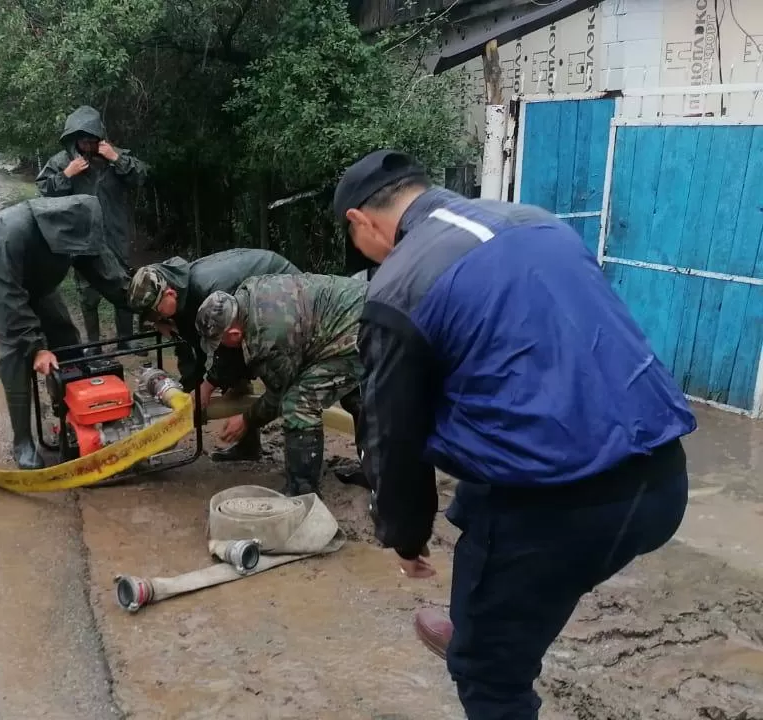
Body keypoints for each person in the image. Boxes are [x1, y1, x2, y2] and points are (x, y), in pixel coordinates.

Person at [334, 149, 695, 718]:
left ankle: (487, 640)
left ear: (361, 222)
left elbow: (392, 438)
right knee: (485, 493)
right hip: (664, 482)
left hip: (559, 514)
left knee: (487, 672)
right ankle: (486, 617)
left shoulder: (399, 287)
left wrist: (404, 537)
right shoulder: (536, 221)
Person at [0, 195, 132, 469]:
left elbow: (107, 276)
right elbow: (7, 295)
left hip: (37, 281)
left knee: (65, 336)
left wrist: (147, 308)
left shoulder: (79, 228)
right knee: (16, 354)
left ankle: (74, 415)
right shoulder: (11, 231)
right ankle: (23, 442)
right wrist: (36, 346)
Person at [193, 273, 366, 497]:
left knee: (299, 402)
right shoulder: (247, 294)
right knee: (356, 396)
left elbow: (279, 396)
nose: (219, 347)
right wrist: (210, 383)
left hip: (355, 333)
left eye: (219, 341)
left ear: (234, 334)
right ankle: (378, 473)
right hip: (362, 310)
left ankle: (303, 492)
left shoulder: (268, 337)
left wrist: (246, 420)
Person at [128, 249, 300, 461]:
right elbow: (193, 347)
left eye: (154, 314)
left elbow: (228, 349)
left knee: (280, 378)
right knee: (236, 377)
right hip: (248, 300)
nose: (155, 320)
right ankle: (249, 447)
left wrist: (207, 387)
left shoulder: (205, 292)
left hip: (283, 292)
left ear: (169, 293)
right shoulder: (181, 294)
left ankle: (301, 467)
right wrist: (191, 390)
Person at [36, 106, 147, 350]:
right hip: (82, 237)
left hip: (116, 232)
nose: (87, 145)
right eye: (82, 140)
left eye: (91, 140)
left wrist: (116, 158)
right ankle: (93, 344)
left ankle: (125, 341)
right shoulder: (62, 161)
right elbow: (44, 189)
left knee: (123, 285)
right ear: (74, 139)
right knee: (87, 291)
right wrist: (67, 174)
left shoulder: (114, 157)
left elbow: (140, 176)